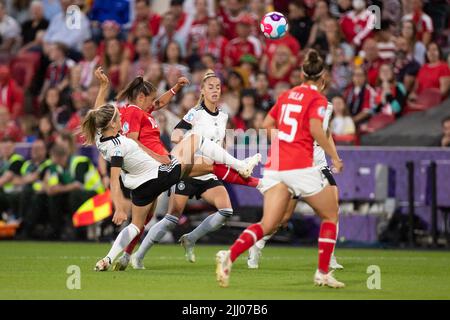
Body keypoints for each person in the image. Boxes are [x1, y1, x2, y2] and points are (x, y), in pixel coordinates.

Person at [215, 50, 345, 288]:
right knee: (331, 214)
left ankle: (229, 256)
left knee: (268, 223)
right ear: (322, 79)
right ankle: (323, 272)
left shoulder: (287, 95)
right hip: (300, 165)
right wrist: (334, 157)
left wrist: (284, 141)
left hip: (275, 165)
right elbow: (317, 130)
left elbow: (265, 125)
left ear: (302, 75)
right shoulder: (317, 100)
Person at [83, 100, 261, 271]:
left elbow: (98, 114)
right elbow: (114, 180)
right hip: (160, 175)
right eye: (118, 118)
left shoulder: (101, 139)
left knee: (135, 226)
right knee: (196, 140)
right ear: (112, 124)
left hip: (139, 187)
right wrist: (119, 208)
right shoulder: (118, 147)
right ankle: (242, 167)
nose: (122, 119)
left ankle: (108, 259)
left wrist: (103, 87)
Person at [128, 70, 259, 268]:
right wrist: (189, 146)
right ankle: (139, 255)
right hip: (189, 170)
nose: (214, 90)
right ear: (203, 91)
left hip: (208, 172)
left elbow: (220, 145)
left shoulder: (224, 116)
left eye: (217, 87)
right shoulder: (195, 113)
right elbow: (175, 135)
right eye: (210, 87)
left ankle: (191, 238)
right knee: (172, 218)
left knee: (226, 211)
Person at [0, 137, 25, 218]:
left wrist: (6, 181)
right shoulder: (2, 160)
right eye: (3, 148)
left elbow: (4, 179)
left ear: (13, 147)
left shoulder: (17, 160)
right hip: (4, 191)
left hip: (14, 192)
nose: (5, 150)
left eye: (8, 148)